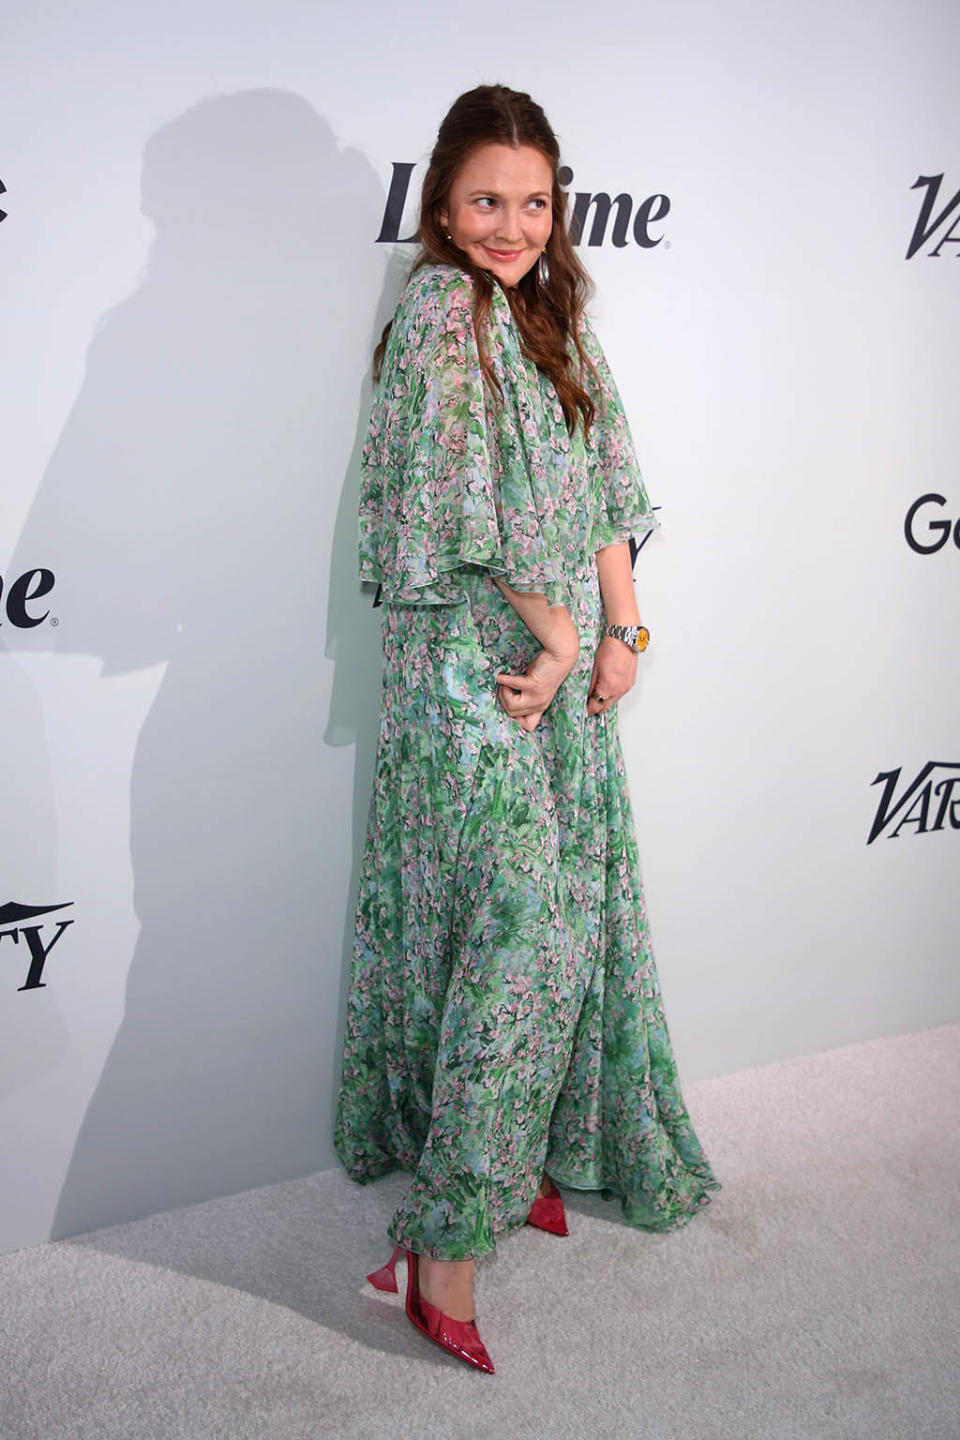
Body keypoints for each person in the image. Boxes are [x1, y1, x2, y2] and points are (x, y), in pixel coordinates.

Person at [334, 83, 720, 1374]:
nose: (510, 225)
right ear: (441, 202)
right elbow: (447, 501)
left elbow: (608, 479)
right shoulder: (443, 309)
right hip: (470, 677)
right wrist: (554, 640)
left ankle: (503, 1170)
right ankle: (439, 1249)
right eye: (486, 201)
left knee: (541, 933)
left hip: (555, 666)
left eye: (534, 202)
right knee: (523, 946)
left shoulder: (553, 313)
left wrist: (620, 630)